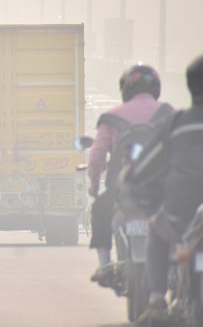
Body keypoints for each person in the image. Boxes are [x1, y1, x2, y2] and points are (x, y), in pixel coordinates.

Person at [132, 55, 203, 323]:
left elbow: (141, 170)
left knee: (156, 229)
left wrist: (138, 189)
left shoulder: (176, 123)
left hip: (180, 215)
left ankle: (156, 299)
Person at [87, 64, 172, 283]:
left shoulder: (111, 117)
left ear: (125, 88)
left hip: (122, 190)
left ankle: (105, 265)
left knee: (100, 209)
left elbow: (96, 158)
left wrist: (94, 187)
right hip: (162, 189)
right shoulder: (169, 114)